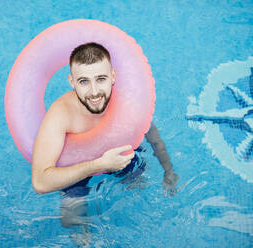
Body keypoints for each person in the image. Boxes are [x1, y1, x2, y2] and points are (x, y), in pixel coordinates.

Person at [31, 42, 178, 246]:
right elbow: (40, 182)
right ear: (71, 82)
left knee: (140, 198)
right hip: (78, 168)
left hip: (120, 155)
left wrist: (168, 171)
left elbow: (153, 138)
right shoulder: (61, 114)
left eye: (100, 79)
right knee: (71, 220)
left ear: (113, 77)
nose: (94, 92)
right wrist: (99, 165)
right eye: (83, 81)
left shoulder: (128, 103)